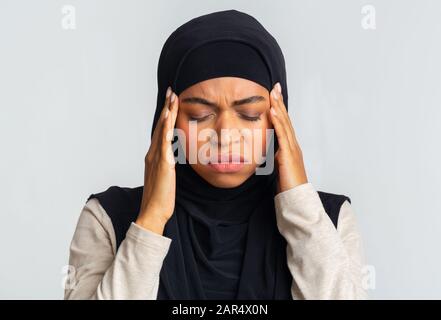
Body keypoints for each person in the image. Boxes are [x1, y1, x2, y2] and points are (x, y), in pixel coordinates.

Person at [64, 9, 367, 300]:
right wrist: (151, 219)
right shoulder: (108, 218)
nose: (224, 135)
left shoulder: (328, 220)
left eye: (249, 114)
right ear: (166, 120)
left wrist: (300, 203)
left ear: (278, 119)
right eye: (199, 115)